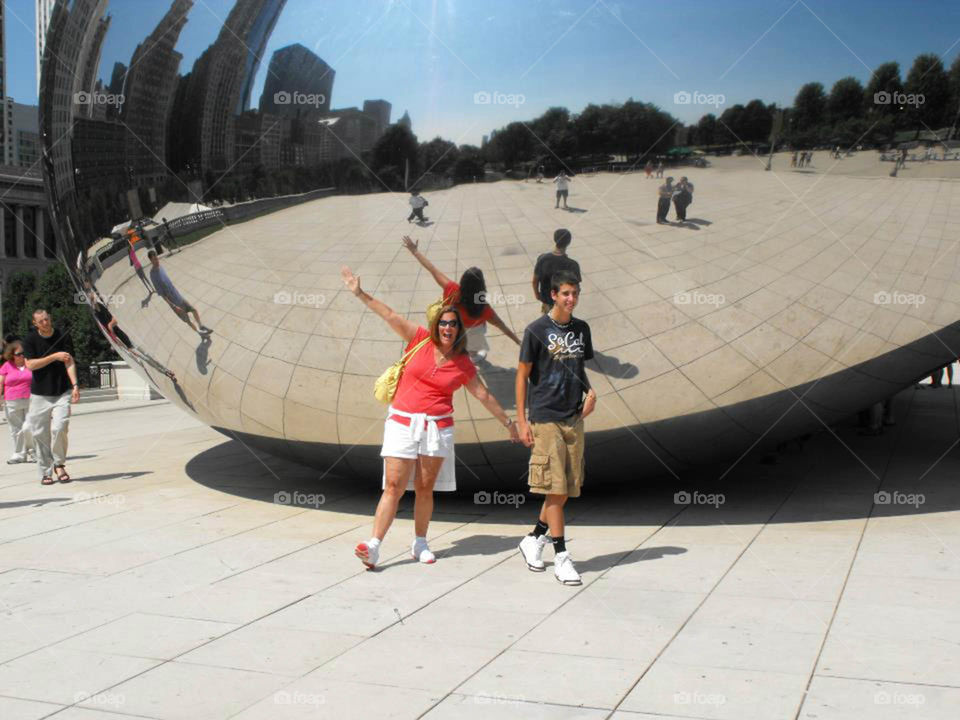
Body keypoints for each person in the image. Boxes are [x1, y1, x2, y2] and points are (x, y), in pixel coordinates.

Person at [340, 266, 520, 569]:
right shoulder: (420, 338)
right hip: (402, 422)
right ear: (437, 324)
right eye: (444, 323)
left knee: (424, 488)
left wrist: (510, 423)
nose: (447, 328)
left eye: (453, 324)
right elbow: (389, 315)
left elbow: (483, 395)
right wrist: (359, 293)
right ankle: (373, 546)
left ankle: (420, 542)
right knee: (394, 486)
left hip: (436, 428)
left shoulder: (462, 363)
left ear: (459, 330)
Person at [516, 270, 597, 585]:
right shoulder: (536, 330)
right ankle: (561, 556)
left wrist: (591, 391)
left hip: (573, 417)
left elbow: (579, 367)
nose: (571, 299)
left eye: (575, 294)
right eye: (565, 293)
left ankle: (533, 538)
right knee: (556, 488)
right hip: (545, 416)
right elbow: (522, 375)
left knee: (566, 489)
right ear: (553, 295)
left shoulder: (581, 329)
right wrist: (523, 421)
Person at [401, 236, 521, 361]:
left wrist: (415, 251)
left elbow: (432, 269)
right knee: (475, 340)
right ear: (482, 287)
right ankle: (473, 355)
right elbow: (501, 325)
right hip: (474, 331)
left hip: (455, 328)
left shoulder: (451, 289)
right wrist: (517, 341)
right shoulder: (483, 307)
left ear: (463, 281)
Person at [22, 310, 80, 485]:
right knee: (40, 433)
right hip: (39, 394)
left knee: (60, 427)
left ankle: (59, 464)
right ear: (35, 323)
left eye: (47, 319)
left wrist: (75, 384)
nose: (46, 323)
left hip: (62, 391)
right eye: (41, 321)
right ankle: (45, 471)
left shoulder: (62, 335)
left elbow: (69, 361)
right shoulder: (30, 339)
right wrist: (54, 356)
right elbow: (30, 364)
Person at [147, 251, 211, 337]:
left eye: (157, 258)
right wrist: (174, 306)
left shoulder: (161, 267)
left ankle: (201, 326)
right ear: (150, 260)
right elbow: (162, 294)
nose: (157, 260)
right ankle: (200, 333)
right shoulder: (153, 275)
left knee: (194, 309)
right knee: (188, 320)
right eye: (154, 259)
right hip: (174, 303)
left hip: (179, 297)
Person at [0, 340, 35, 464]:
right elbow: (1, 383)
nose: (22, 355)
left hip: (31, 400)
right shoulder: (6, 366)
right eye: (19, 353)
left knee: (29, 427)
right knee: (16, 429)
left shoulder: (30, 364)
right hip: (12, 401)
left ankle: (33, 451)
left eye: (23, 353)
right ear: (11, 355)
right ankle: (19, 454)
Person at [532, 229, 582, 314]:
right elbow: (576, 288)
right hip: (564, 304)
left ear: (555, 240)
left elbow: (535, 281)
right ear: (568, 242)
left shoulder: (542, 259)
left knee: (546, 323)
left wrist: (537, 294)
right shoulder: (572, 265)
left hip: (546, 301)